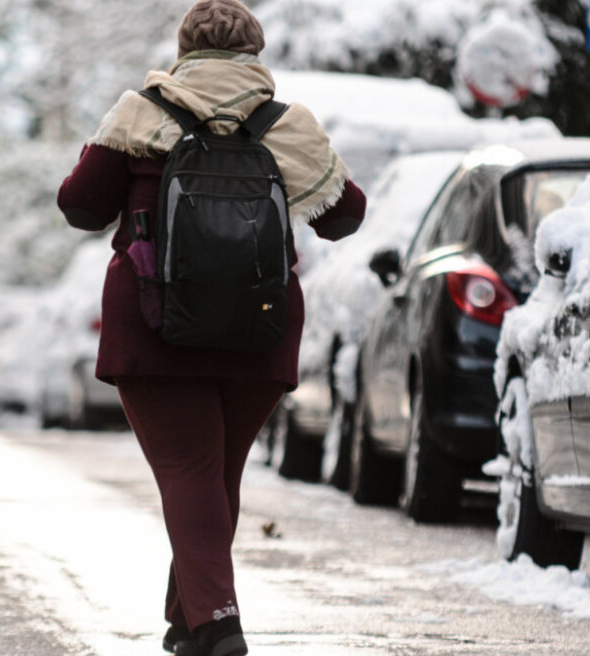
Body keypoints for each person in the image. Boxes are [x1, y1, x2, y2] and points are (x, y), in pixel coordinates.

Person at [57, 2, 366, 654]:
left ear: (183, 50)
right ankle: (189, 625)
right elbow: (345, 217)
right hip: (259, 329)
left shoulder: (143, 110)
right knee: (213, 475)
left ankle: (219, 623)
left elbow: (80, 204)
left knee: (190, 472)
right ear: (255, 54)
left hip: (154, 325)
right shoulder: (285, 124)